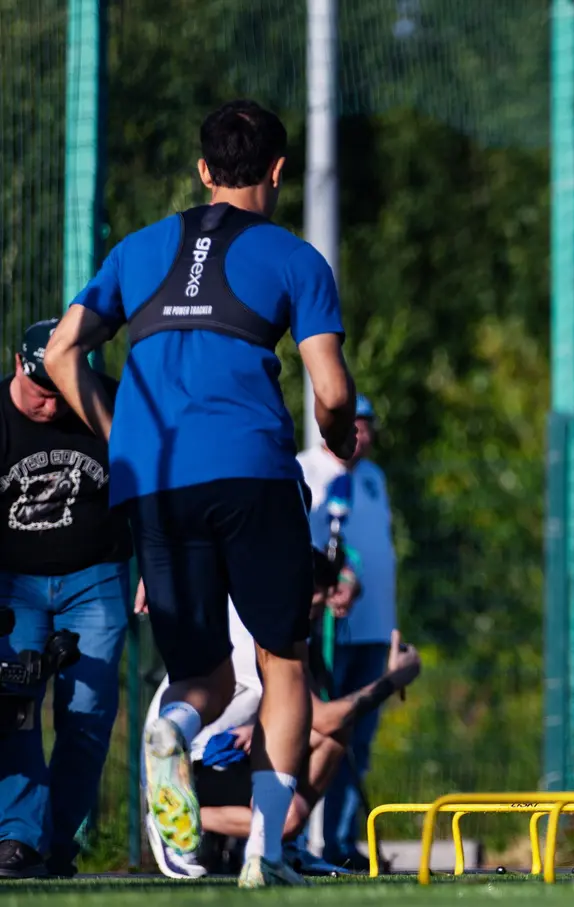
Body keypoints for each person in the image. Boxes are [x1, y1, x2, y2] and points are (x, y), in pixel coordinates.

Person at [43, 99, 356, 888]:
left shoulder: (137, 249)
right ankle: (266, 852)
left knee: (206, 677)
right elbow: (331, 386)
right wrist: (340, 431)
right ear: (279, 172)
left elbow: (59, 351)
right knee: (281, 662)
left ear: (203, 171)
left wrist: (120, 436)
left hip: (152, 482)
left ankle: (173, 730)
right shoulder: (295, 258)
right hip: (250, 472)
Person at [141, 600, 419, 879]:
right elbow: (325, 718)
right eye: (322, 582)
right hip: (192, 768)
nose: (329, 596)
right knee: (289, 814)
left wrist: (258, 728)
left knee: (326, 736)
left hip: (227, 758)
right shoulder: (260, 628)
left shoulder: (291, 627)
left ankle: (278, 846)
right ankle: (179, 821)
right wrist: (393, 679)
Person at [0, 319, 132, 878]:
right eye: (40, 391)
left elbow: (144, 481)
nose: (51, 407)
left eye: (61, 391)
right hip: (14, 583)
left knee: (88, 714)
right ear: (17, 366)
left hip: (95, 577)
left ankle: (52, 842)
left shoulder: (105, 402)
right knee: (16, 707)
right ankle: (17, 839)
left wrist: (151, 565)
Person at [296, 393, 397, 868]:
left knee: (360, 737)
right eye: (352, 424)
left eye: (367, 425)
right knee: (320, 730)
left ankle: (341, 839)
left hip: (373, 629)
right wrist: (335, 584)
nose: (362, 435)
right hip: (323, 631)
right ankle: (298, 834)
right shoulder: (305, 471)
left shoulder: (374, 478)